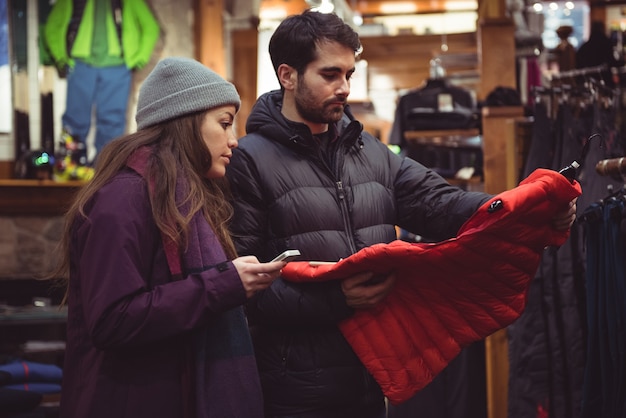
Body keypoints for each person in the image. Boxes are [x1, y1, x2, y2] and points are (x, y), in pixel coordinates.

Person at [226, 9, 578, 418]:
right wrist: (336, 300)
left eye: (349, 75)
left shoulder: (368, 150)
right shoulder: (248, 161)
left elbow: (439, 203)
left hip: (374, 376)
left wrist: (526, 208)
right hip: (296, 388)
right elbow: (245, 289)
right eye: (330, 75)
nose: (344, 88)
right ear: (288, 76)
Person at [50, 57, 287, 418]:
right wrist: (223, 285)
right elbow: (113, 320)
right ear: (186, 123)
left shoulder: (189, 200)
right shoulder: (123, 199)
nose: (234, 140)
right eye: (224, 124)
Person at [44, 0, 160, 165]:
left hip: (117, 67)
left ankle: (104, 168)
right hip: (81, 64)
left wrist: (138, 59)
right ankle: (71, 164)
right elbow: (52, 26)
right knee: (75, 119)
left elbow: (151, 27)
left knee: (112, 121)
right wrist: (61, 57)